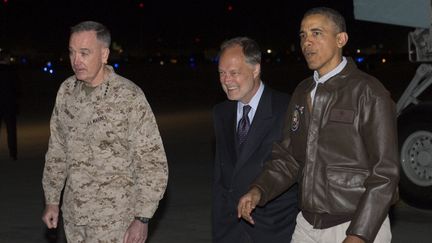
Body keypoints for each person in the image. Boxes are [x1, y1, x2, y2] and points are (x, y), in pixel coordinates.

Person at [237, 7, 399, 243]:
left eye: (316, 33)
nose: (307, 42)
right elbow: (288, 157)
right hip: (307, 225)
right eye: (303, 35)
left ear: (340, 39)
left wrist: (358, 234)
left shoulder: (368, 92)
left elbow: (385, 173)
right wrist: (258, 190)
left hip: (355, 224)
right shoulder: (302, 91)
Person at [41, 21, 168, 243]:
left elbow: (152, 161)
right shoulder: (66, 92)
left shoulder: (129, 96)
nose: (76, 60)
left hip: (117, 222)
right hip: (74, 219)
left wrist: (142, 218)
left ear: (104, 54)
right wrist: (52, 200)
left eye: (84, 53)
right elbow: (57, 150)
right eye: (72, 52)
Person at [213, 37, 298, 243]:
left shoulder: (286, 108)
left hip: (274, 229)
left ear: (255, 70)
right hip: (230, 230)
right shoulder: (220, 112)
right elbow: (221, 176)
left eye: (234, 73)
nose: (226, 80)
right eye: (222, 73)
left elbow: (293, 167)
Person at [0, 51, 19, 161]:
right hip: (9, 104)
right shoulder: (12, 72)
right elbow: (18, 88)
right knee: (11, 130)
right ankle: (13, 153)